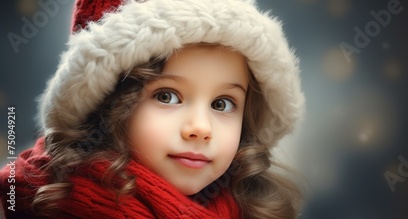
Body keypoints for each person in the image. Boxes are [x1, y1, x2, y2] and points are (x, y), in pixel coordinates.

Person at [0, 0, 305, 218]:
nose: (200, 128)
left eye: (222, 104)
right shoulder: (30, 203)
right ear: (107, 105)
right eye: (167, 96)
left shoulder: (251, 209)